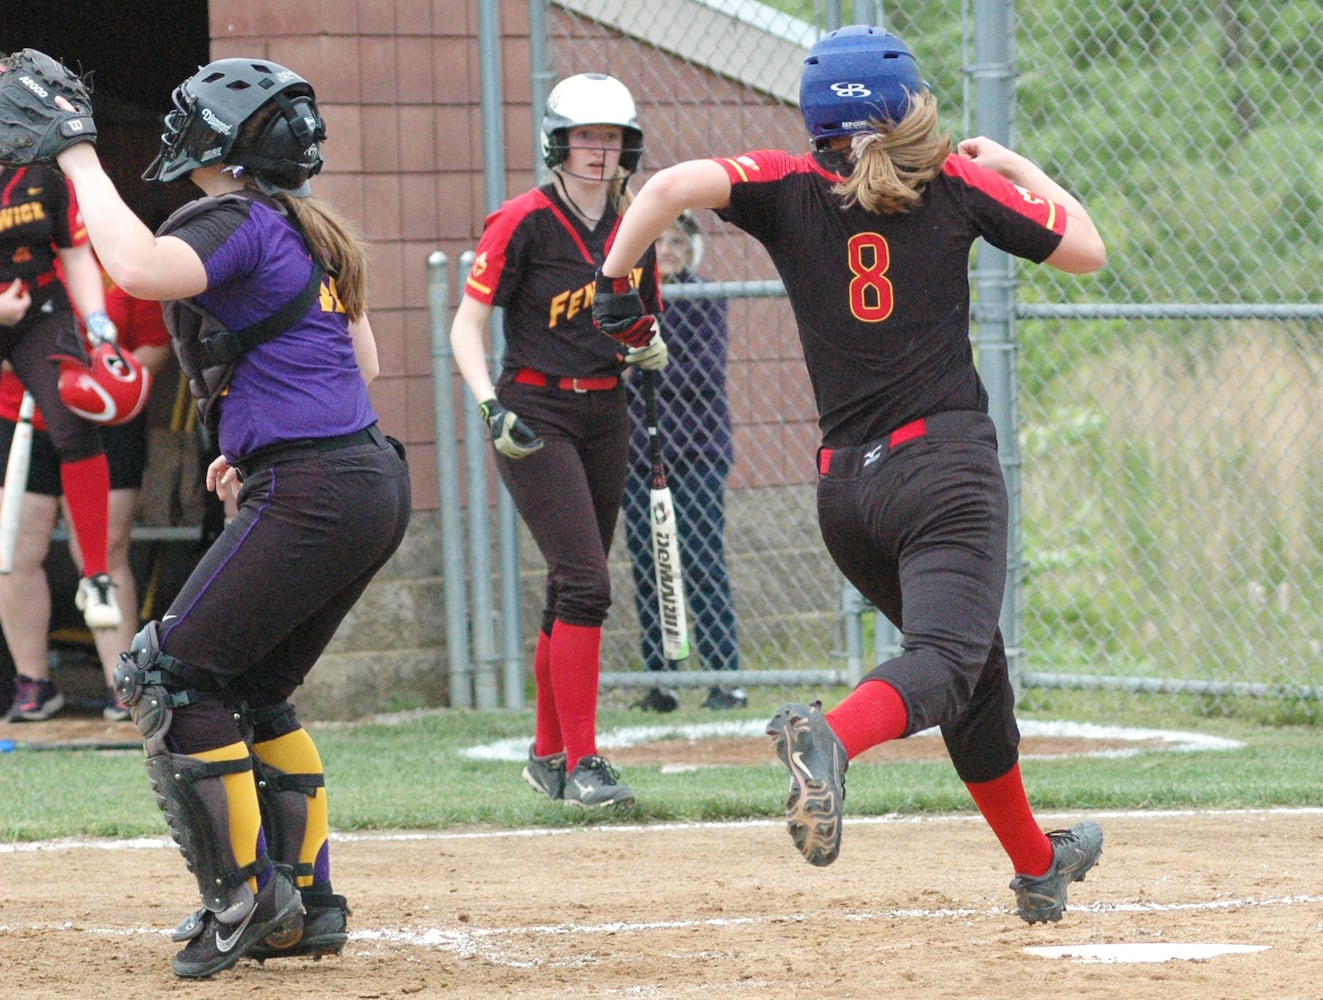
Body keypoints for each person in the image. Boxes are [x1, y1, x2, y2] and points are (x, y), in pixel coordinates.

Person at [595, 25, 1107, 924]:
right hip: (941, 471)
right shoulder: (953, 182)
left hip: (846, 497)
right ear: (905, 107)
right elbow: (1085, 248)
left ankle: (1037, 865)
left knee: (971, 675)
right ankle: (828, 740)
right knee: (946, 663)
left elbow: (669, 187)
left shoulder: (788, 186)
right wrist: (1020, 168)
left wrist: (616, 286)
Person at [14, 55, 412, 977]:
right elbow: (365, 369)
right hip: (361, 479)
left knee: (171, 679)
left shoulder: (233, 216)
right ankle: (306, 903)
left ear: (218, 142)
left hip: (317, 488)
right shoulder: (308, 227)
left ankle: (245, 900)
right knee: (254, 690)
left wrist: (75, 158)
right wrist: (256, 435)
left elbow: (141, 270)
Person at [449, 72, 666, 808]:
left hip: (608, 413)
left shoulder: (637, 222)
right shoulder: (524, 220)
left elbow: (636, 320)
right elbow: (467, 326)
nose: (598, 151)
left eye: (611, 137)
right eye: (585, 137)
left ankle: (547, 756)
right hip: (534, 412)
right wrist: (488, 407)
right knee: (586, 584)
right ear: (558, 142)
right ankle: (582, 763)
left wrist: (647, 344)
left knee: (569, 585)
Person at [0, 267, 169, 723]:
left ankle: (123, 683)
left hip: (106, 425)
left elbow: (153, 343)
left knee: (103, 549)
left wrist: (112, 389)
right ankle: (33, 683)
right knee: (16, 551)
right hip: (21, 418)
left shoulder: (114, 260)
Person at [0, 157, 123, 723]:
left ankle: (95, 575)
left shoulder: (42, 173)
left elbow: (74, 254)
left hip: (40, 310)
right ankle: (31, 680)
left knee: (75, 423)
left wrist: (98, 328)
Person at [623, 211, 743, 712]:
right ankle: (662, 679)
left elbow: (701, 373)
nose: (667, 251)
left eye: (676, 241)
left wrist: (643, 370)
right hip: (639, 454)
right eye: (657, 242)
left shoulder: (704, 296)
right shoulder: (628, 301)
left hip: (697, 453)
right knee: (650, 562)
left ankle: (724, 679)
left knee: (700, 559)